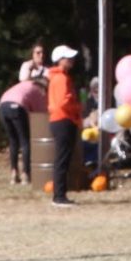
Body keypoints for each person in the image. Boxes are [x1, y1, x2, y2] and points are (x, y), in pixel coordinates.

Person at [44, 46, 86, 207]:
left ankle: (60, 194)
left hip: (59, 120)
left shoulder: (58, 77)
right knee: (62, 159)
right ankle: (59, 196)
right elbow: (64, 101)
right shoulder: (61, 78)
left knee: (62, 159)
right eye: (67, 57)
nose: (72, 60)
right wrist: (77, 106)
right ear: (59, 60)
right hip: (63, 120)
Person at [0, 46, 47, 185]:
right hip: (17, 106)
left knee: (13, 141)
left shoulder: (25, 84)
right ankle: (26, 174)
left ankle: (14, 174)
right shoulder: (38, 90)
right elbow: (41, 114)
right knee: (25, 141)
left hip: (2, 105)